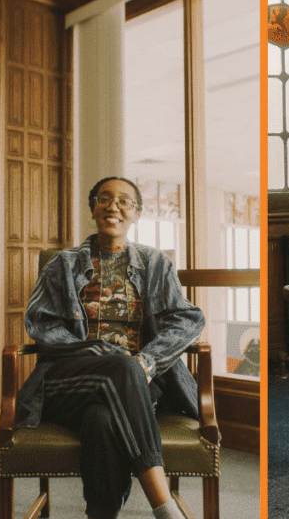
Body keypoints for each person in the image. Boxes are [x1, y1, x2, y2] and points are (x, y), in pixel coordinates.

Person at [17, 177, 205, 519]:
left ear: (137, 213)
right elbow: (40, 323)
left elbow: (189, 319)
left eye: (123, 201)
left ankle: (101, 515)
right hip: (68, 380)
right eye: (104, 199)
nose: (112, 207)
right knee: (122, 367)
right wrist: (97, 352)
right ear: (93, 209)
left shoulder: (155, 263)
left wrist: (149, 361)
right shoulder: (63, 264)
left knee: (102, 418)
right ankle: (164, 507)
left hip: (138, 380)